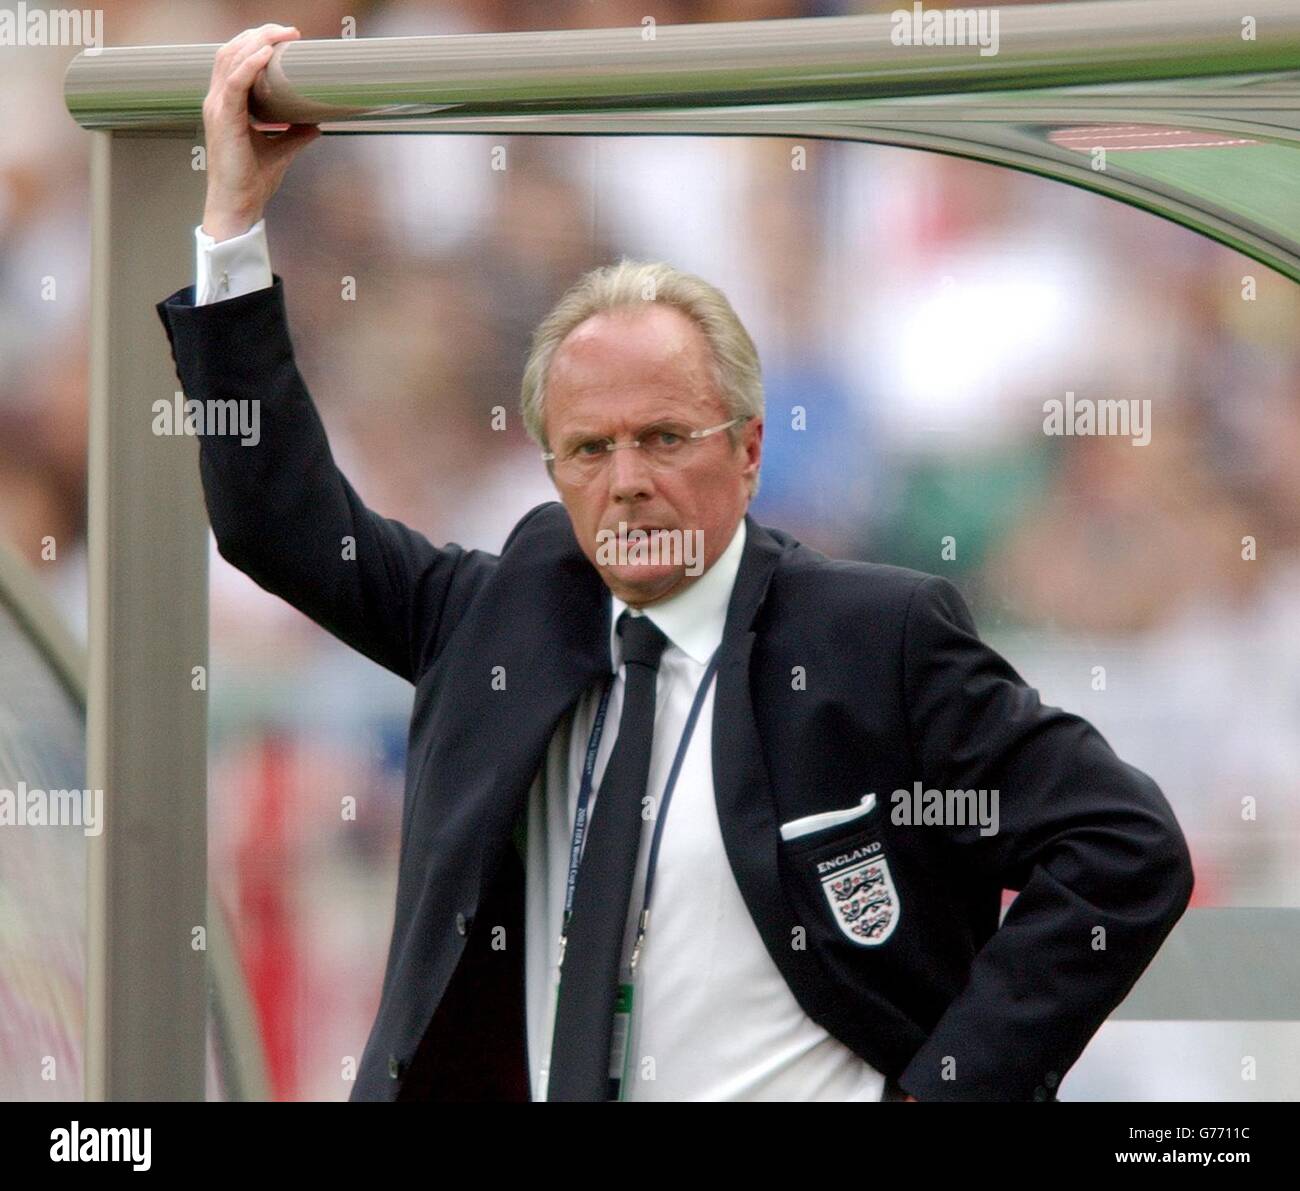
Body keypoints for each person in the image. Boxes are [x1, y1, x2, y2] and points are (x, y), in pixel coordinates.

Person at [155, 25, 1194, 1102]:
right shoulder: (503, 616)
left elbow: (1123, 851)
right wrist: (233, 225)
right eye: (592, 450)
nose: (628, 480)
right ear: (552, 469)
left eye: (664, 438)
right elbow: (280, 527)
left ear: (747, 451)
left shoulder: (867, 637)